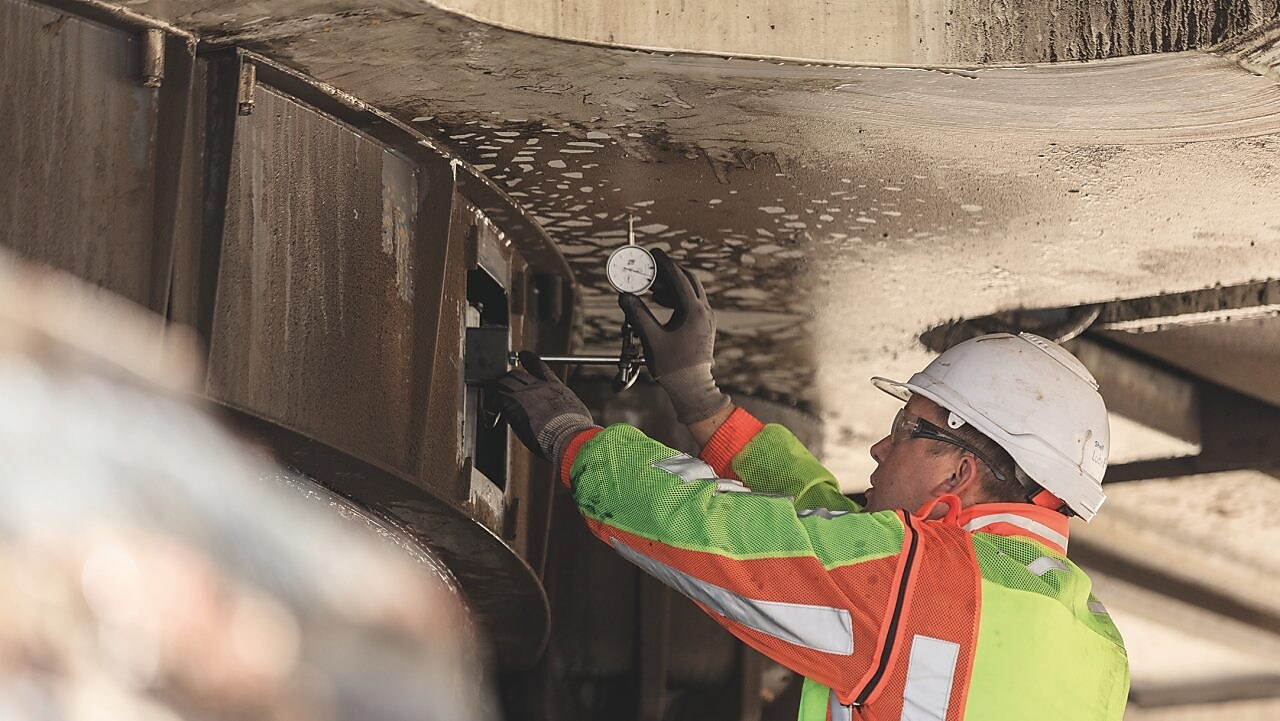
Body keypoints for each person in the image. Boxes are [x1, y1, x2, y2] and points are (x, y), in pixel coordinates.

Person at [491, 250, 1129, 721]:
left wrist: (574, 439)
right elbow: (842, 544)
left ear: (958, 474)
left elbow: (723, 534)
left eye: (907, 429)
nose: (880, 448)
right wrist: (701, 400)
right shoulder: (1092, 643)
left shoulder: (930, 589)